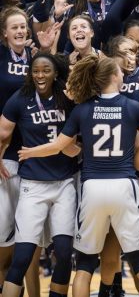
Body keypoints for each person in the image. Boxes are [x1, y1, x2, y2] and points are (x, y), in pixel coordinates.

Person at [17, 55, 139, 297]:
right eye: (120, 72)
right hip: (124, 185)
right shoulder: (133, 107)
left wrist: (31, 151)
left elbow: (59, 146)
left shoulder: (82, 110)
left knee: (85, 267)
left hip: (93, 187)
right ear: (114, 77)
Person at [0, 53, 77, 297]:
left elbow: (81, 135)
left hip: (64, 183)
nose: (40, 75)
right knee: (21, 257)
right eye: (36, 71)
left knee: (64, 254)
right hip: (32, 185)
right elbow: (3, 132)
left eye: (46, 71)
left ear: (55, 73)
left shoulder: (68, 96)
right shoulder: (20, 98)